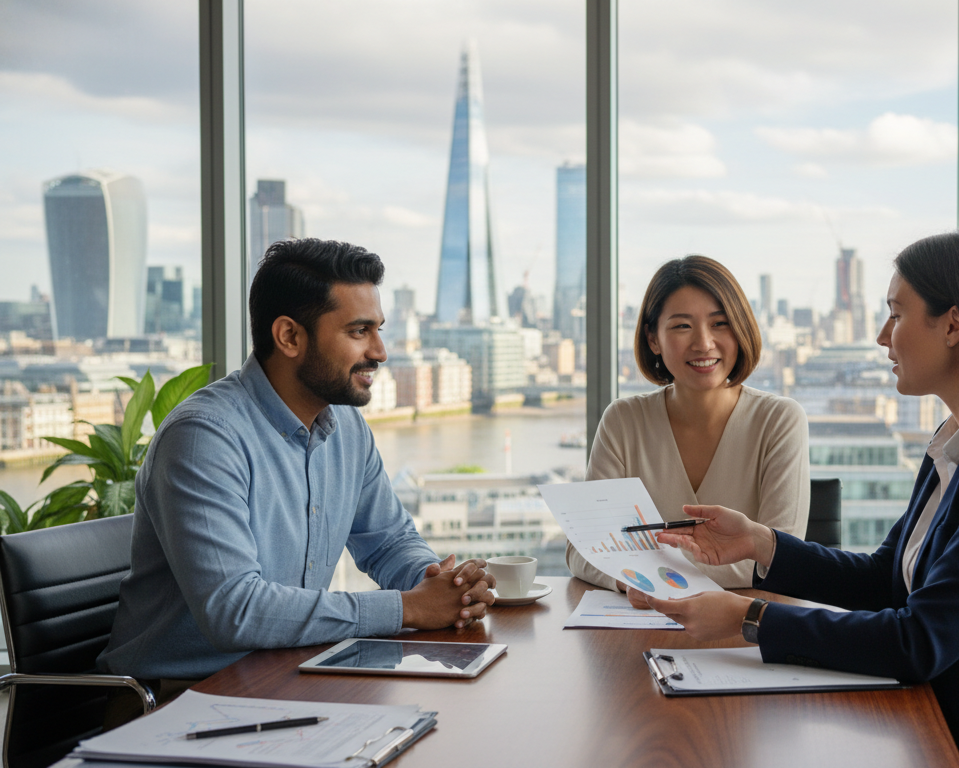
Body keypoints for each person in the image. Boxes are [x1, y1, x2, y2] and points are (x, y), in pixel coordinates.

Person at [637, 230, 959, 768]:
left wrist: (749, 617)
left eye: (896, 314)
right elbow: (885, 580)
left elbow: (921, 640)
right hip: (940, 720)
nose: (882, 335)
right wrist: (760, 544)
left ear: (953, 324)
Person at [98, 238, 496, 697]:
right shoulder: (203, 438)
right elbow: (236, 610)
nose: (381, 351)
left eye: (379, 329)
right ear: (289, 336)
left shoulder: (346, 425)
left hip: (286, 677)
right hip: (172, 699)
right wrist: (407, 608)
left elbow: (389, 542)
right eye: (358, 331)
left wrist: (443, 586)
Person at [565, 255, 810, 591]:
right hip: (639, 626)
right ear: (653, 339)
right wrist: (632, 584)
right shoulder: (623, 421)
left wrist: (647, 576)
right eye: (682, 326)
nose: (703, 343)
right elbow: (583, 552)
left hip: (743, 629)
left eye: (720, 323)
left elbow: (778, 558)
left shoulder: (779, 420)